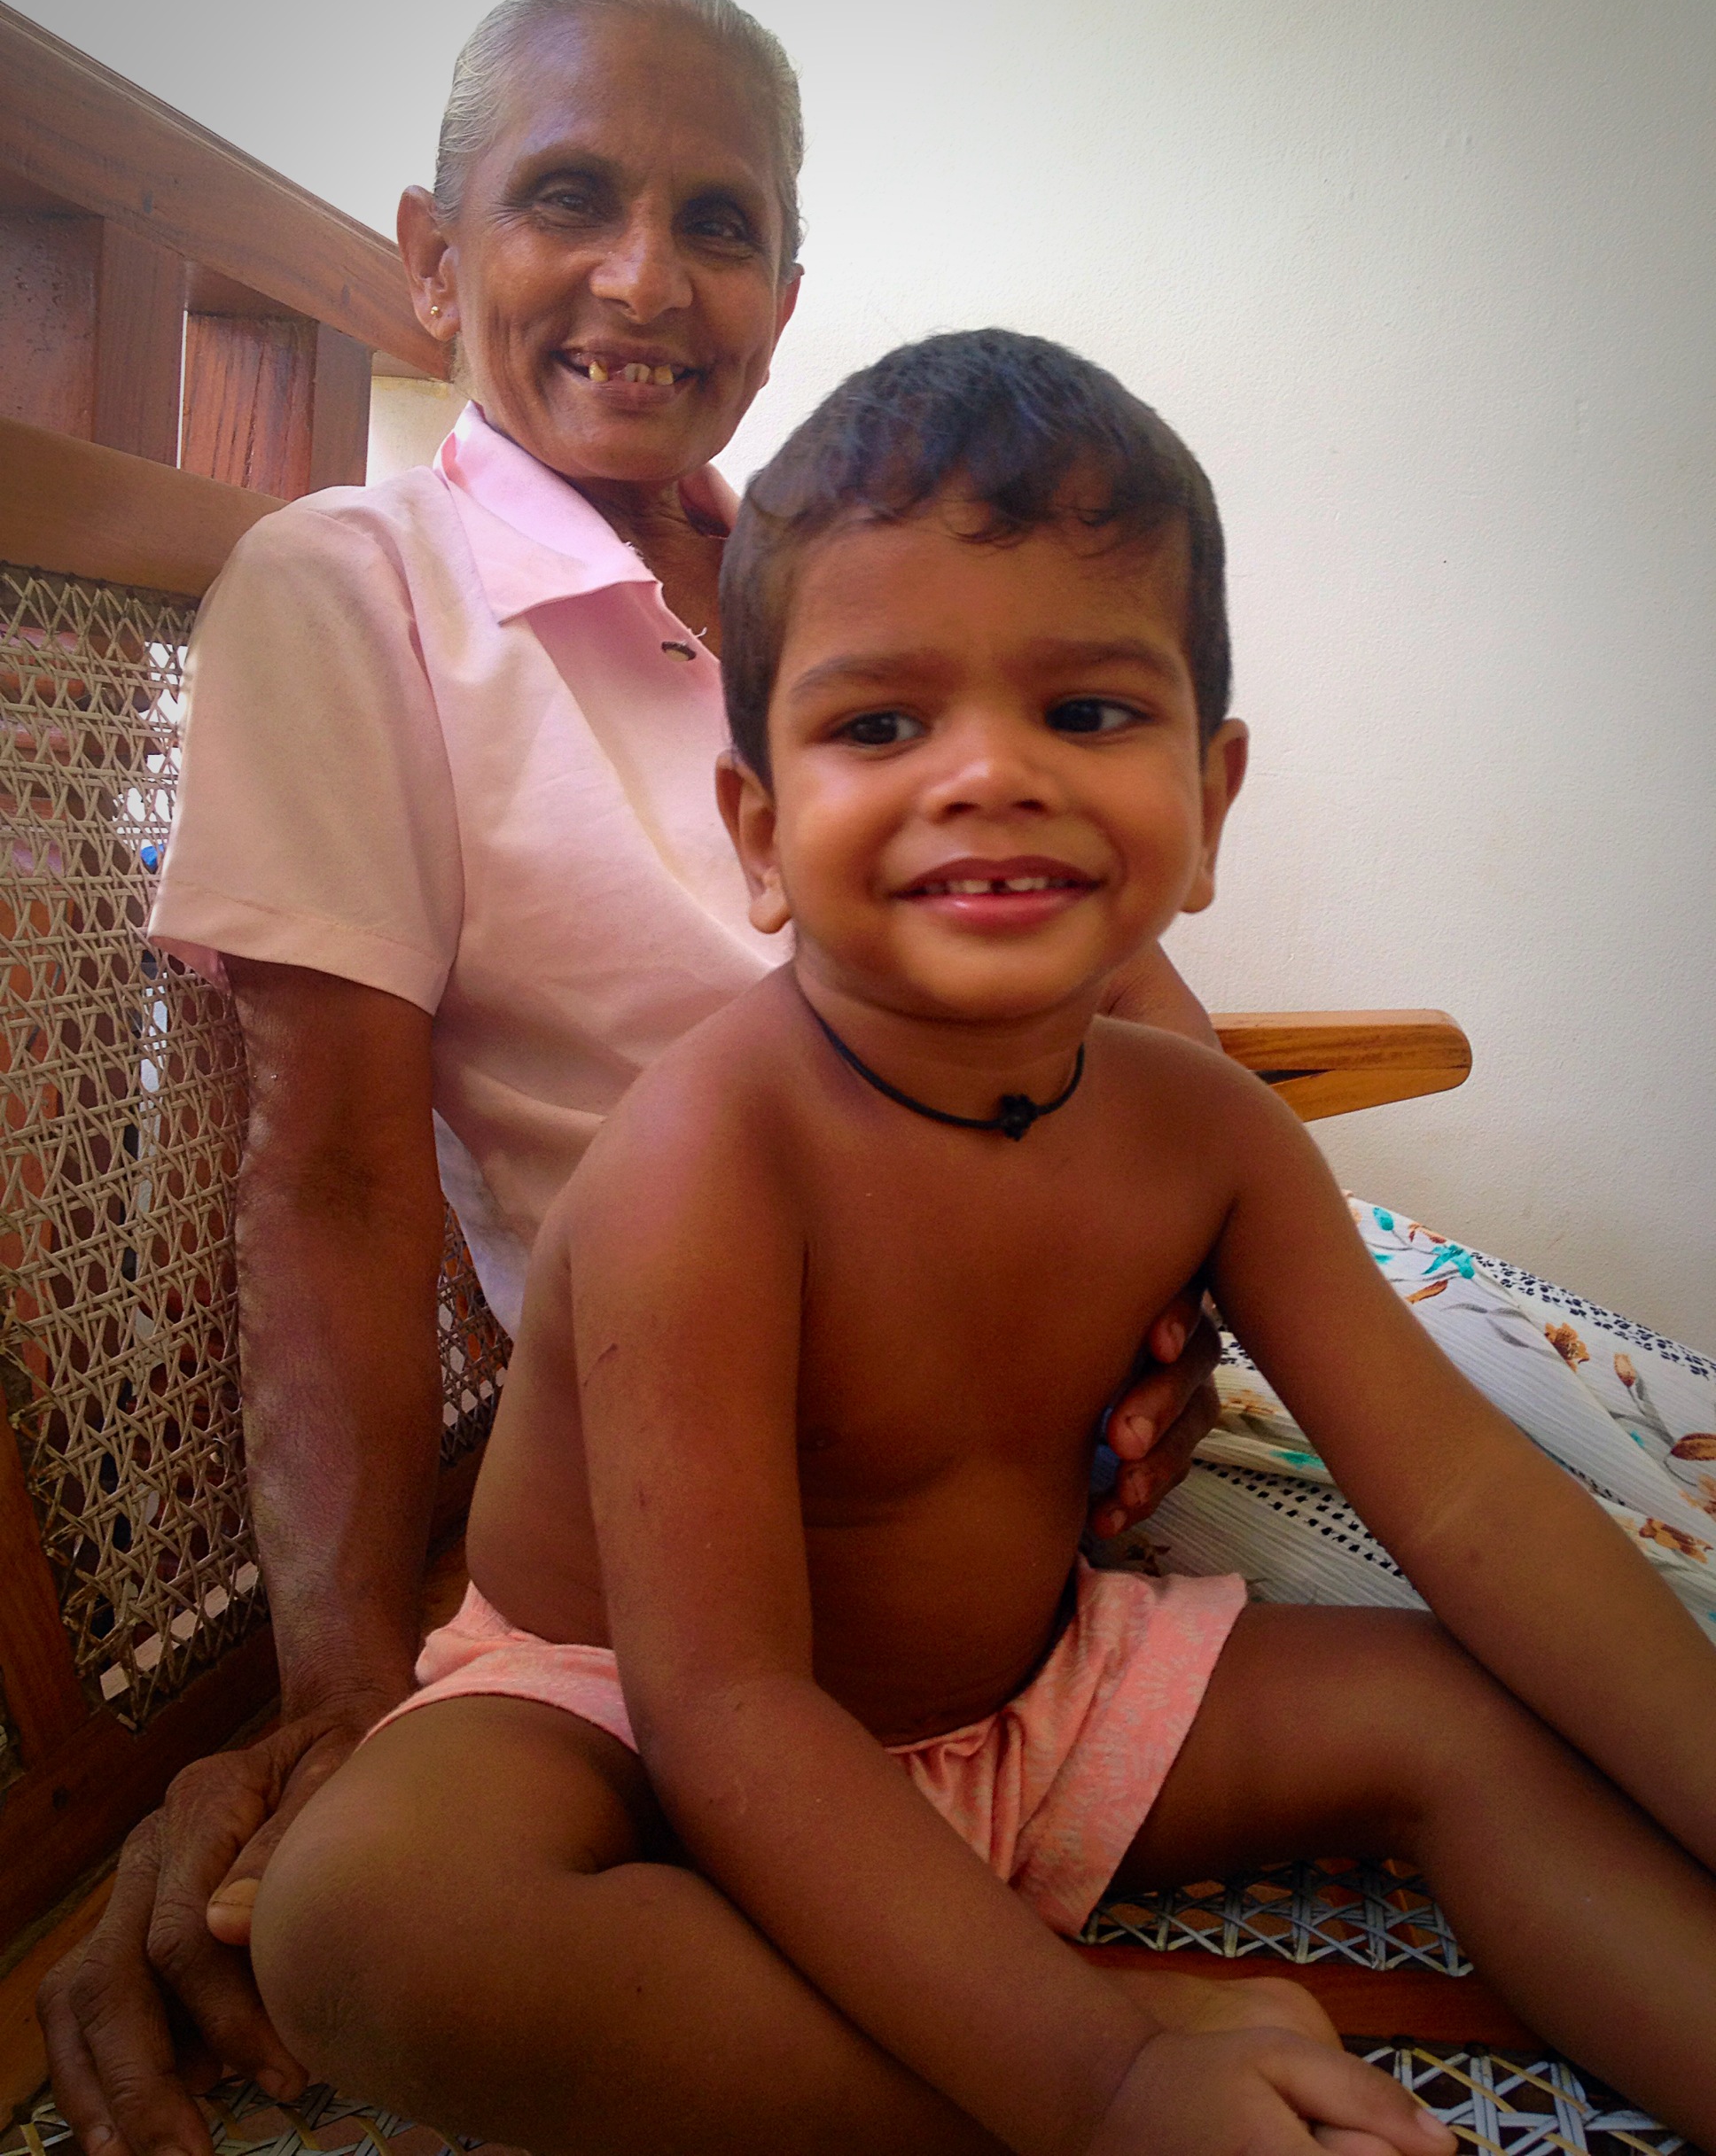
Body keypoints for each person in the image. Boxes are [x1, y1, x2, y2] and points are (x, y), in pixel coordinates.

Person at [247, 331, 1716, 2156]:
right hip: (635, 1733)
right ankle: (1094, 2065)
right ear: (759, 831)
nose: (990, 774)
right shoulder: (707, 1161)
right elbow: (726, 1704)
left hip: (1041, 1699)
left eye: (1087, 713)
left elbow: (1471, 1502)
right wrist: (1102, 2079)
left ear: (1209, 805)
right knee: (369, 1917)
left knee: (1460, 1706)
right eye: (880, 724)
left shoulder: (1213, 1140)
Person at [37, 0, 1220, 2156]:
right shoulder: (356, 583)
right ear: (430, 253)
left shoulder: (835, 579)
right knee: (412, 1920)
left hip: (1027, 1436)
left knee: (1517, 1637)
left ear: (786, 293)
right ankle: (1122, 2081)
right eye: (565, 197)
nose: (644, 279)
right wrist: (345, 1693)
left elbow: (1127, 1000)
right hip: (737, 1494)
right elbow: (332, 1179)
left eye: (720, 222)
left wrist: (1186, 1311)